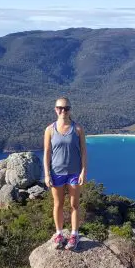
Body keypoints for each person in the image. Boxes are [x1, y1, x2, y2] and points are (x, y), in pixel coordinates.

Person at [43, 97, 88, 250]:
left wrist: (83, 171)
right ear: (55, 109)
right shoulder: (49, 129)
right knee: (58, 204)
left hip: (74, 173)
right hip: (57, 173)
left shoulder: (78, 129)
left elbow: (83, 152)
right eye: (60, 108)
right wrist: (47, 174)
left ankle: (74, 235)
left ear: (70, 109)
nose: (63, 111)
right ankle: (59, 234)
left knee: (74, 205)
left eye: (66, 108)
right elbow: (47, 153)